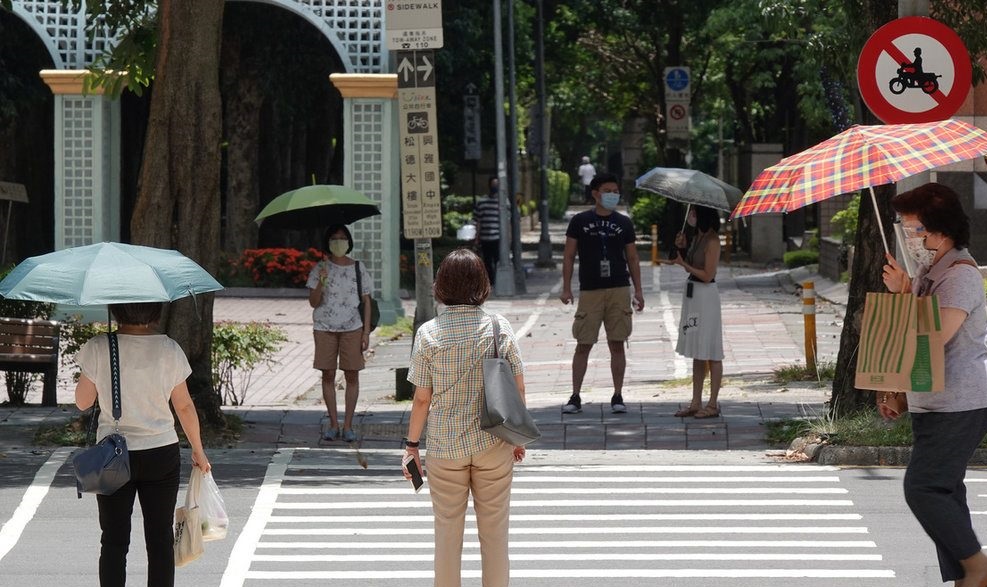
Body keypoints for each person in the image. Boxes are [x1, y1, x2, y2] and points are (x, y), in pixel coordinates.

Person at [879, 183, 987, 587]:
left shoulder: (960, 275)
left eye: (917, 230)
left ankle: (977, 566)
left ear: (942, 230)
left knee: (924, 488)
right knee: (946, 491)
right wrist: (901, 397)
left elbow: (932, 337)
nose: (912, 239)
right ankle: (967, 577)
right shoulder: (929, 273)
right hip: (933, 401)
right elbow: (917, 351)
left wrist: (905, 294)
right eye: (905, 229)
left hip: (960, 402)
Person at [403, 248, 526, 587]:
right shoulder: (499, 327)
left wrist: (412, 446)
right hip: (494, 442)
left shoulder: (428, 333)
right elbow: (517, 386)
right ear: (482, 284)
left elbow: (421, 399)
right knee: (495, 536)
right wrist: (516, 438)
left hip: (445, 447)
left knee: (446, 535)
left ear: (441, 285)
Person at [74, 302, 211, 587]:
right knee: (160, 539)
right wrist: (198, 450)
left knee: (113, 539)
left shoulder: (100, 346)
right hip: (161, 451)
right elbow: (184, 407)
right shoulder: (169, 349)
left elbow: (82, 402)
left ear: (116, 310)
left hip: (111, 454)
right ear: (155, 311)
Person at [560, 172, 644, 414]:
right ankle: (575, 396)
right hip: (590, 290)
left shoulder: (624, 222)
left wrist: (638, 291)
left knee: (617, 343)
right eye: (607, 191)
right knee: (583, 343)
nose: (612, 195)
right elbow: (568, 256)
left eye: (615, 191)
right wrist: (566, 287)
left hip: (619, 287)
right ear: (595, 193)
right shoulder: (579, 221)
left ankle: (617, 395)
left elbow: (633, 258)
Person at [307, 224, 373, 443]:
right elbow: (313, 302)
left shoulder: (358, 268)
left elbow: (366, 301)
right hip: (324, 327)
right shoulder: (320, 269)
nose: (338, 242)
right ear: (328, 243)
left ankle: (348, 426)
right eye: (334, 238)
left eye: (342, 238)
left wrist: (365, 332)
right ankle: (334, 424)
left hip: (352, 327)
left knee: (352, 374)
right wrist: (321, 283)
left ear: (349, 242)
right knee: (327, 374)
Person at [670, 205, 725, 419]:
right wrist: (683, 249)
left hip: (706, 297)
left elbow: (707, 274)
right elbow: (690, 263)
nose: (691, 216)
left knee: (711, 349)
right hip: (693, 297)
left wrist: (685, 264)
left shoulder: (712, 240)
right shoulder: (697, 237)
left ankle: (712, 404)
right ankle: (695, 401)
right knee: (697, 348)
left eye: (694, 212)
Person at [473, 176, 501, 286]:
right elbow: (478, 221)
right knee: (487, 262)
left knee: (498, 260)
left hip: (498, 238)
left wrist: (509, 238)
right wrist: (477, 238)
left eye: (497, 185)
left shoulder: (503, 202)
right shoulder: (482, 202)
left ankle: (498, 281)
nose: (495, 187)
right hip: (485, 238)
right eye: (493, 184)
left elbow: (508, 222)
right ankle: (492, 282)